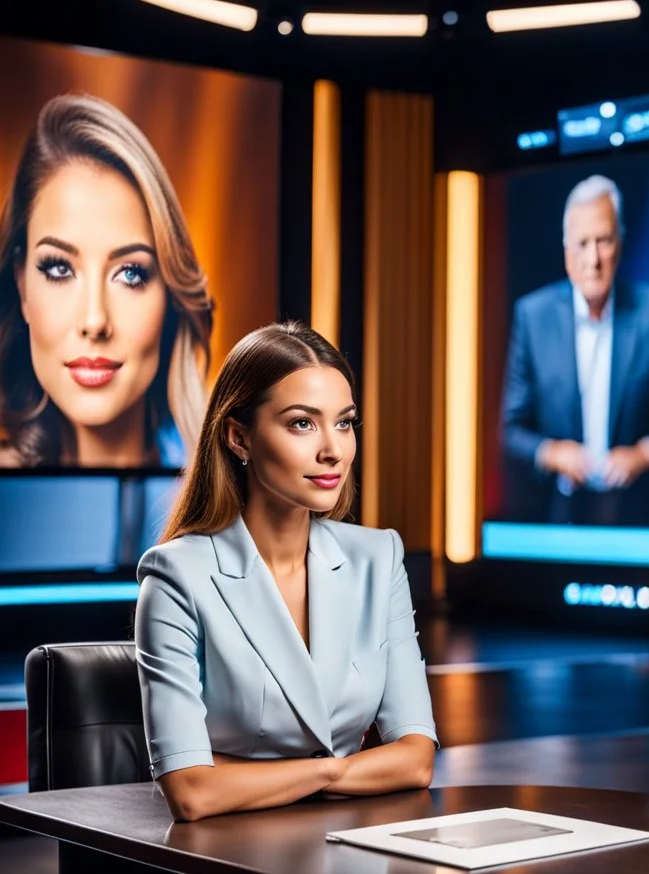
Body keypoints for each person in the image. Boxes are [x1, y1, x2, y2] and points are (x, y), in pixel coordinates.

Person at [134, 321, 437, 823]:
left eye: (344, 423)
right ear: (238, 437)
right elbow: (191, 792)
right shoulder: (176, 578)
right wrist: (336, 771)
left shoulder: (378, 559)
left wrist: (242, 773)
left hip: (350, 848)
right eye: (302, 423)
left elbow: (416, 759)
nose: (333, 450)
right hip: (225, 862)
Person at [0, 92, 212, 468]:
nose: (95, 321)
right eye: (59, 269)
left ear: (170, 295)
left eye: (130, 273)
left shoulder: (240, 500)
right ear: (21, 284)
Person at [499, 173, 649, 525]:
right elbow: (511, 431)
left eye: (603, 240)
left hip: (640, 518)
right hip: (556, 517)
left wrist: (643, 454)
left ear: (620, 245)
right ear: (566, 253)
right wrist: (553, 453)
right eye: (582, 243)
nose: (593, 259)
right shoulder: (533, 316)